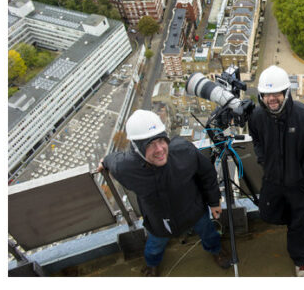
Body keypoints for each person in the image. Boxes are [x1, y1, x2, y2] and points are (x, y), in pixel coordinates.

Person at [97, 109, 231, 276]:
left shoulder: (183, 151)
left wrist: (213, 202)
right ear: (137, 149)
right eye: (150, 144)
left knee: (209, 233)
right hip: (159, 221)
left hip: (194, 211)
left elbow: (207, 174)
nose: (160, 149)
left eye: (162, 140)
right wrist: (105, 162)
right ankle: (152, 265)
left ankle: (216, 250)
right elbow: (113, 160)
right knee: (154, 247)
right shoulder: (126, 168)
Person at [248, 65, 304, 277]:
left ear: (286, 92)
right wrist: (263, 160)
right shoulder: (257, 116)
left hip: (298, 183)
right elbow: (256, 139)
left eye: (276, 93)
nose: (271, 99)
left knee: (299, 224)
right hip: (272, 179)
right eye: (266, 94)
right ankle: (299, 215)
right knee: (267, 213)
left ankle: (301, 259)